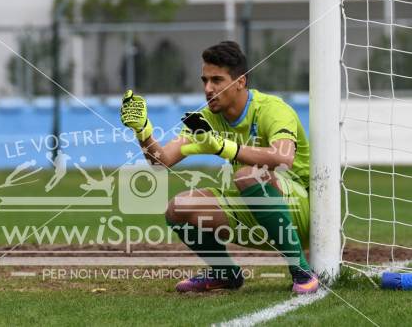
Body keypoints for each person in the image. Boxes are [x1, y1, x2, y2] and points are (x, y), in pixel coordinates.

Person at [119, 41, 317, 294]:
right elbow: (161, 161)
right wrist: (143, 130)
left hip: (303, 210)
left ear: (241, 82)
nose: (208, 88)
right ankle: (225, 273)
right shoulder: (207, 118)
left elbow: (284, 157)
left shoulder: (272, 109)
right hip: (261, 210)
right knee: (178, 208)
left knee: (247, 174)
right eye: (204, 80)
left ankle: (300, 270)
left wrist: (224, 147)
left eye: (216, 80)